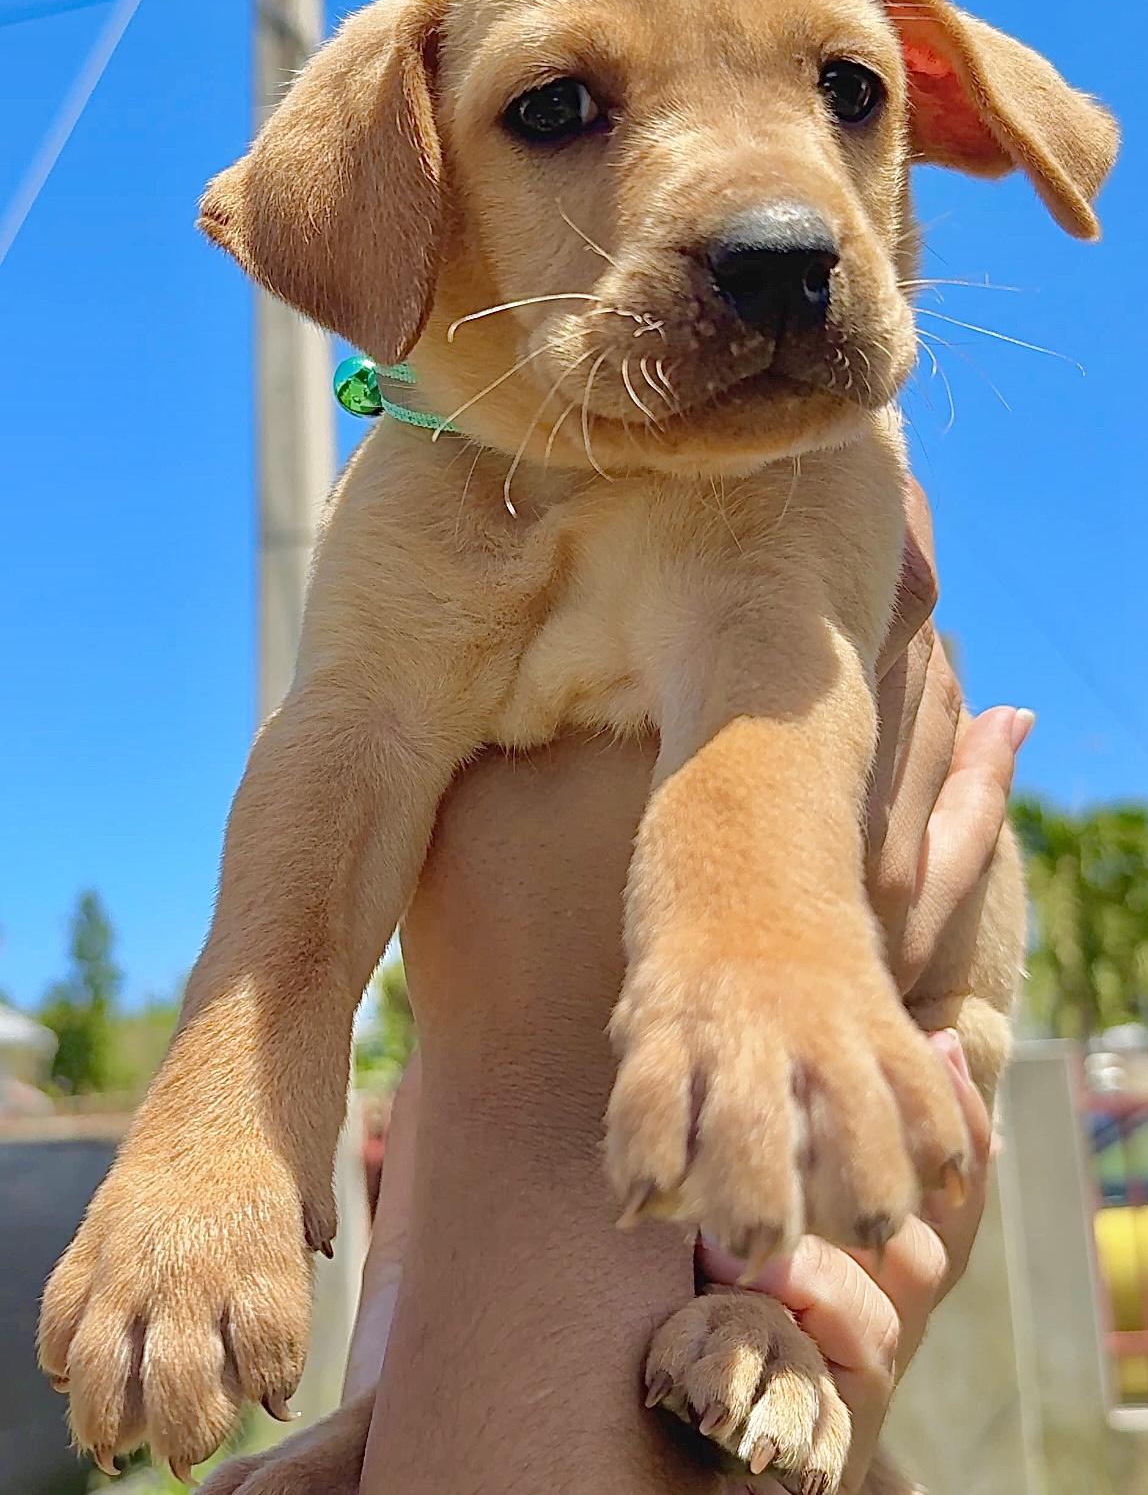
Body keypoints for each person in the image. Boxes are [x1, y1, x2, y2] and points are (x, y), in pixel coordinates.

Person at [207, 484, 1030, 1495]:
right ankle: (398, 1419)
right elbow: (352, 731)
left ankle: (768, 1338)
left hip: (853, 1089)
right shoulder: (424, 477)